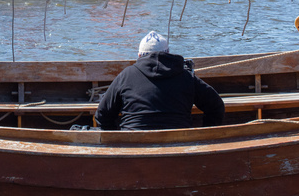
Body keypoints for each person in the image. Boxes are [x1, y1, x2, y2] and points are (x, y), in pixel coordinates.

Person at [95, 31, 225, 131]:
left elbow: (102, 115)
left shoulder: (126, 76)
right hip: (179, 148)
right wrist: (205, 135)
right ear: (168, 53)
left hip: (134, 148)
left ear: (139, 55)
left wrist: (116, 139)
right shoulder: (187, 77)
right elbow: (216, 107)